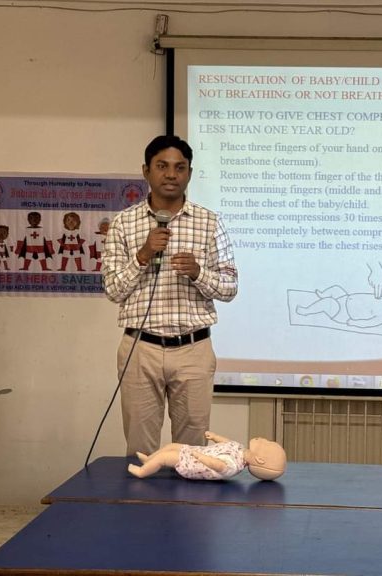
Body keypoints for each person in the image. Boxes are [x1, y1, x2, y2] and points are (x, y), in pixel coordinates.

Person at [102, 135, 238, 456]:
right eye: (162, 166)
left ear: (189, 173)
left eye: (180, 167)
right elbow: (113, 289)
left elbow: (230, 287)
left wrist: (198, 272)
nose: (171, 175)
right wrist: (143, 255)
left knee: (192, 453)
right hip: (140, 349)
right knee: (140, 450)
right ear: (146, 171)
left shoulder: (209, 223)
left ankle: (187, 492)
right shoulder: (123, 224)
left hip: (193, 349)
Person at [127, 431, 287, 481]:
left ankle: (142, 472)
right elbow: (227, 443)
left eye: (266, 444)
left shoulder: (233, 464)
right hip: (197, 452)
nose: (263, 439)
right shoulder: (240, 448)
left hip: (195, 464)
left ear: (259, 459)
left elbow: (218, 465)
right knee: (172, 446)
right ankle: (149, 460)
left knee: (165, 458)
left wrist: (201, 458)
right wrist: (215, 437)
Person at [296, 285, 382, 328]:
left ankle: (306, 311)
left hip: (343, 313)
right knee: (336, 289)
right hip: (345, 298)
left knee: (328, 303)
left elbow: (368, 323)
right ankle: (323, 294)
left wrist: (354, 323)